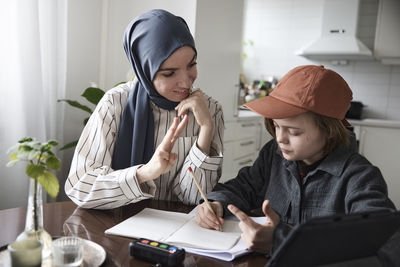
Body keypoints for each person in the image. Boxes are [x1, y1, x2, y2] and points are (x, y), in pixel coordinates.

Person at [195, 65, 399, 266]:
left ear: (329, 130)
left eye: (293, 131)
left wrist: (279, 240)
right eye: (276, 126)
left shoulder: (359, 176)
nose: (280, 138)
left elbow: (382, 241)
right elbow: (242, 187)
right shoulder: (273, 155)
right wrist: (215, 204)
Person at [65, 9, 224, 209]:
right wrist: (144, 173)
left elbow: (194, 199)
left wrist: (206, 129)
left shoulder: (210, 111)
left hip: (176, 232)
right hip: (114, 227)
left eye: (191, 65)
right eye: (169, 73)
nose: (185, 82)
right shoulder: (115, 104)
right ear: (144, 70)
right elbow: (80, 187)